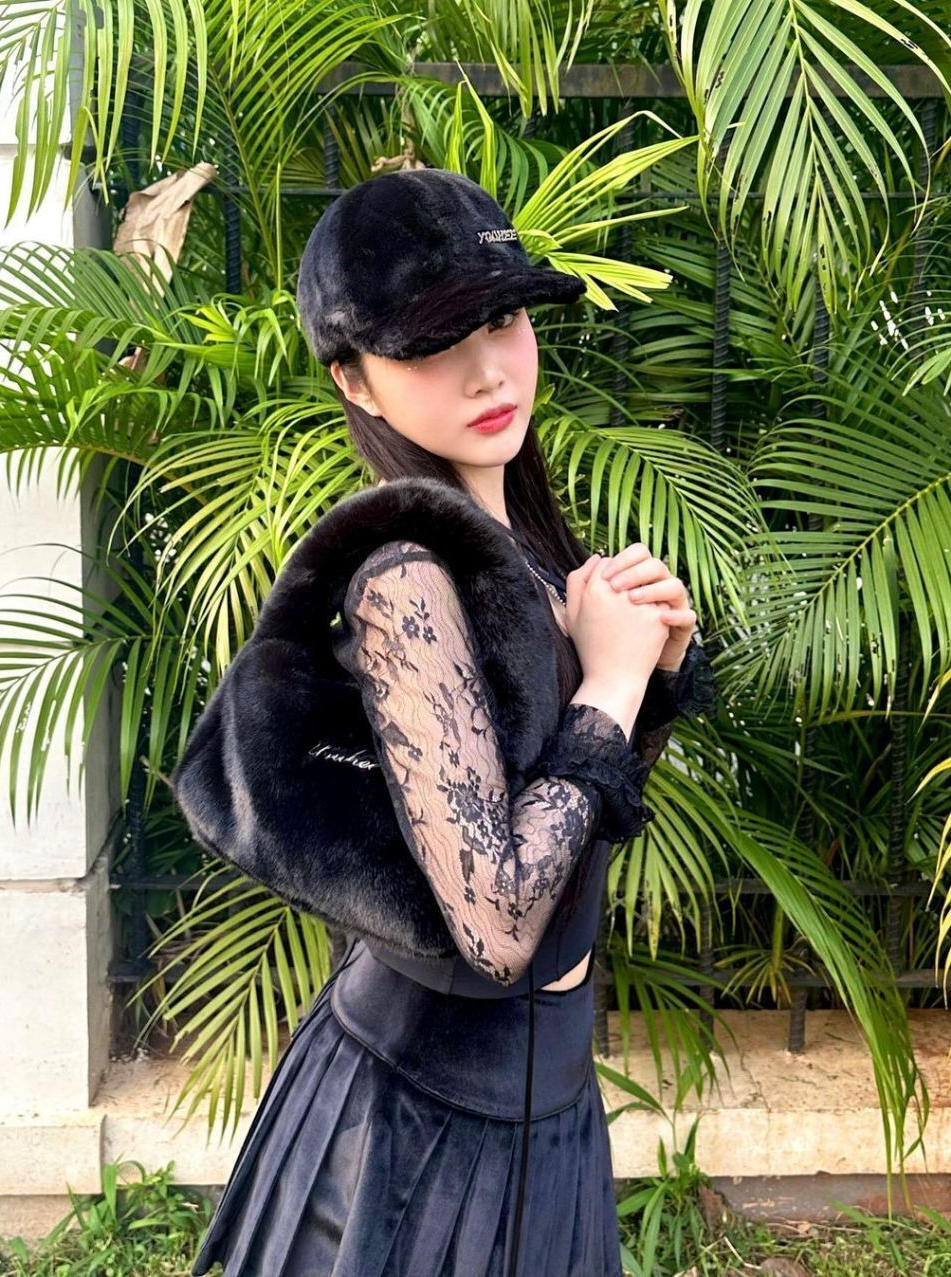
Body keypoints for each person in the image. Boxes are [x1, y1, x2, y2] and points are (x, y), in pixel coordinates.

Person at [184, 166, 717, 1277]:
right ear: (357, 381)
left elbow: (571, 822)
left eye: (505, 319)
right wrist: (611, 686)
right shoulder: (405, 580)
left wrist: (646, 676)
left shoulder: (524, 548)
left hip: (545, 1111)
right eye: (434, 344)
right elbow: (499, 921)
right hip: (416, 1138)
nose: (488, 369)